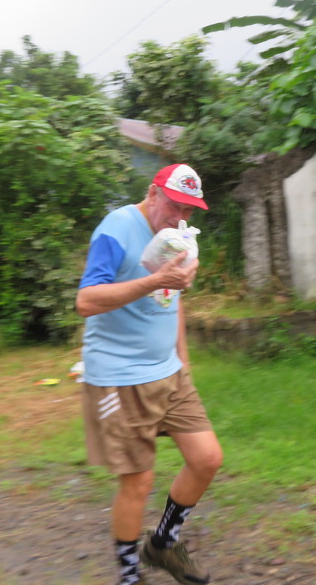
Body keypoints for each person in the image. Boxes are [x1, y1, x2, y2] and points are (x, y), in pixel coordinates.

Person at [76, 164, 223, 585]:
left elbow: (173, 298)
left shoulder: (177, 236)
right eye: (175, 206)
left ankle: (162, 545)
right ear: (153, 193)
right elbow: (86, 301)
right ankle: (129, 576)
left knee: (207, 459)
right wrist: (154, 280)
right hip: (119, 376)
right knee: (138, 481)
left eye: (189, 211)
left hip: (169, 371)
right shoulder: (116, 228)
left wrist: (183, 361)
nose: (180, 218)